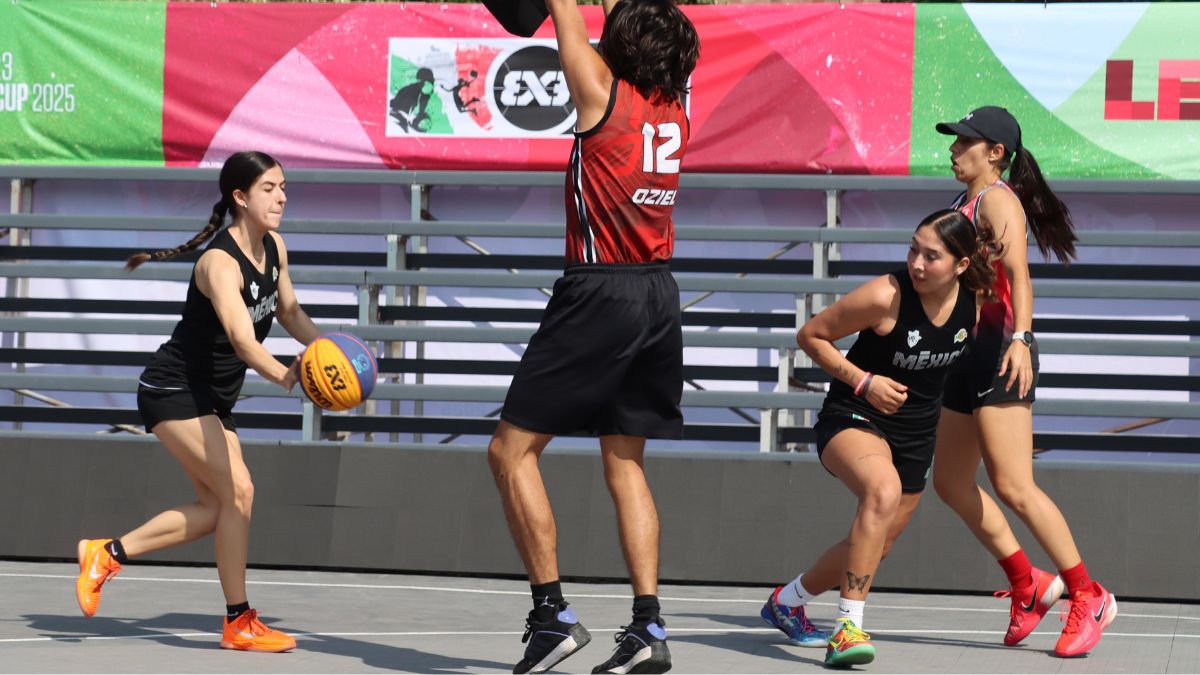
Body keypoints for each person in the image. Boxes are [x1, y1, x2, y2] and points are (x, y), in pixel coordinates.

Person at [485, 0, 698, 673]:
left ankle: (551, 615)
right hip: (659, 295)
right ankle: (648, 625)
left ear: (623, 46)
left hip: (600, 288)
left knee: (510, 453)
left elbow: (567, 19)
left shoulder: (600, 94)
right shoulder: (675, 109)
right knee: (625, 462)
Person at [75, 151, 320, 652]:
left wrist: (328, 352)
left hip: (210, 397)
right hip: (173, 389)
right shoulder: (218, 262)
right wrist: (290, 376)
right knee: (241, 494)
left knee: (220, 507)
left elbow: (290, 311)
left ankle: (108, 552)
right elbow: (241, 339)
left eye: (283, 187)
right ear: (240, 197)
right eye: (270, 188)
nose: (282, 196)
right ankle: (238, 620)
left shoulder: (274, 247)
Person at [761, 210, 991, 668]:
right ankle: (847, 629)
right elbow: (811, 335)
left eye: (932, 255)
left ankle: (787, 601)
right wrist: (864, 381)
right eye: (913, 249)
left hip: (916, 434)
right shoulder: (885, 295)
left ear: (962, 265)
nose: (917, 263)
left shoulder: (974, 302)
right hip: (853, 415)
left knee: (872, 547)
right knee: (880, 491)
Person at [931, 106, 1116, 657]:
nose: (952, 148)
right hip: (964, 360)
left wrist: (1022, 340)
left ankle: (1089, 594)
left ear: (995, 153)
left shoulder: (998, 199)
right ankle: (1028, 582)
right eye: (953, 139)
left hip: (999, 355)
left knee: (1014, 485)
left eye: (964, 140)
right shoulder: (965, 203)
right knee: (950, 482)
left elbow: (1019, 277)